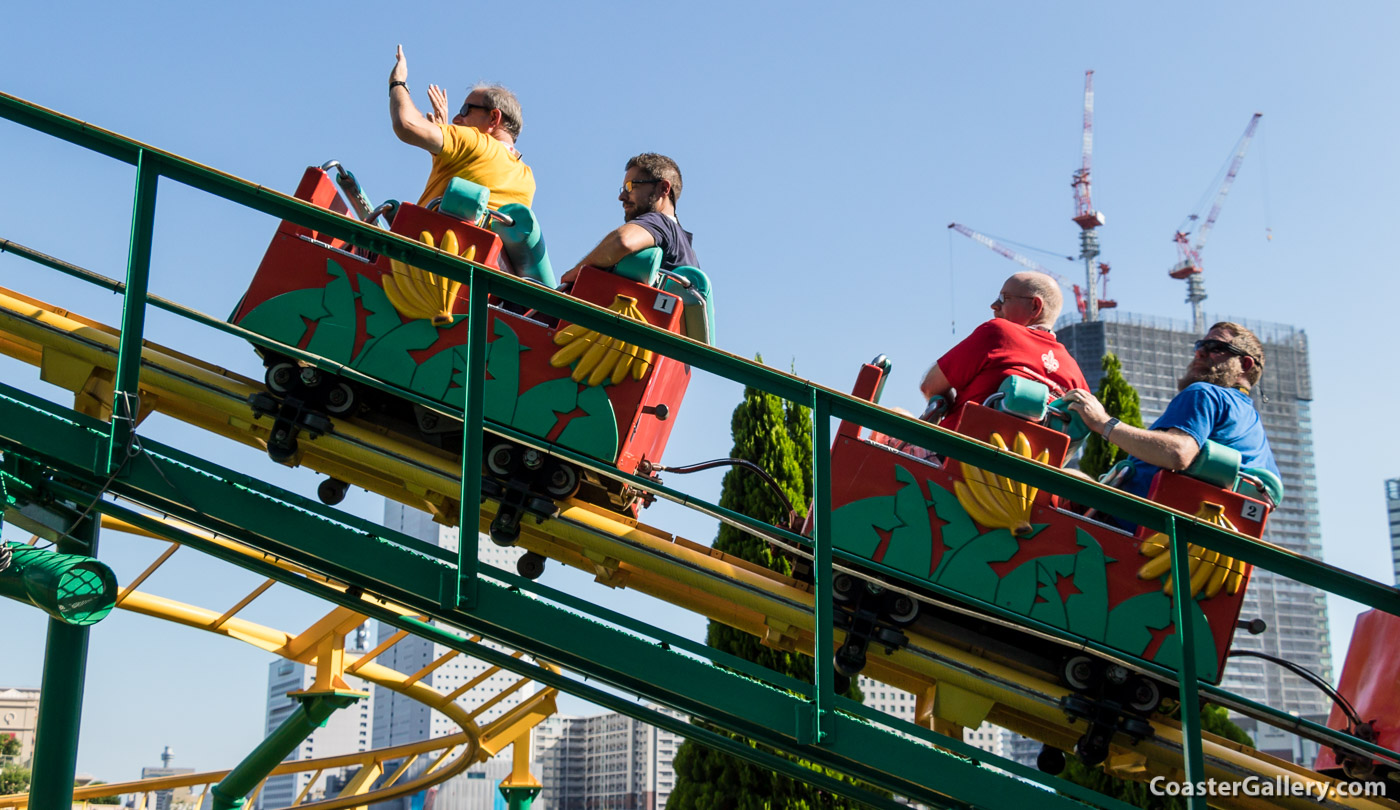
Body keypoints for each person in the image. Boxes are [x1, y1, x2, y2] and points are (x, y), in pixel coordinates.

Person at [1062, 321, 1280, 501]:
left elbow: (1178, 453)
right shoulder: (1256, 435)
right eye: (1199, 346)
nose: (1200, 353)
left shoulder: (1206, 394)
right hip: (1191, 541)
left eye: (1215, 347)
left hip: (1137, 528)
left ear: (1246, 364)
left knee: (1056, 481)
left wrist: (1102, 423)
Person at [918, 272, 1088, 426]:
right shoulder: (1076, 377)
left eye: (1004, 298)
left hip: (956, 454)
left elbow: (930, 386)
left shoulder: (999, 333)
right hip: (1030, 460)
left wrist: (946, 404)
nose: (994, 305)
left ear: (1035, 306)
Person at [387, 45, 535, 210]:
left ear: (493, 117)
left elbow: (406, 124)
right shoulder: (526, 179)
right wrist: (443, 148)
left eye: (465, 111)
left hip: (424, 234)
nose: (456, 119)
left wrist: (397, 82)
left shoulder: (476, 142)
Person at [559, 154, 698, 285]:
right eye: (623, 189)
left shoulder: (660, 222)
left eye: (631, 186)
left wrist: (577, 272)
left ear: (663, 188)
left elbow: (622, 241)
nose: (622, 197)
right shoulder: (689, 256)